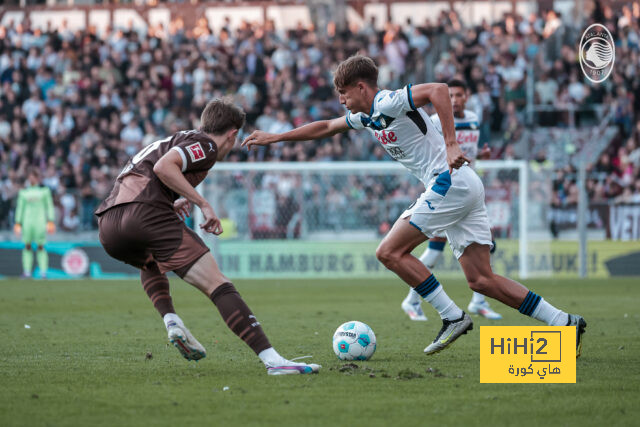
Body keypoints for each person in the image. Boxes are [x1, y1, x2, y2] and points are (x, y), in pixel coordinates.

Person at [242, 56, 586, 357]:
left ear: (362, 87)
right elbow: (327, 127)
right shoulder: (367, 117)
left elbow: (438, 89)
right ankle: (565, 322)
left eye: (344, 93)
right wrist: (277, 137)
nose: (342, 101)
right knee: (481, 280)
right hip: (462, 184)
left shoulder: (389, 101)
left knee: (389, 252)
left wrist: (451, 144)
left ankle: (452, 317)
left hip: (449, 181)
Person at [95, 99, 320, 375]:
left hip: (108, 224)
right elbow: (164, 168)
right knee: (218, 285)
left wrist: (169, 200)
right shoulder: (207, 145)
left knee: (149, 260)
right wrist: (202, 203)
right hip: (144, 214)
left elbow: (145, 175)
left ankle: (172, 321)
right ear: (231, 134)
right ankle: (273, 361)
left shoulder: (175, 138)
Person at [401, 79, 502, 322]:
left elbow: (468, 152)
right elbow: (431, 156)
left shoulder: (474, 119)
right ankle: (412, 300)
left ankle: (477, 301)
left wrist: (481, 155)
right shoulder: (436, 121)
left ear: (467, 96)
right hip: (445, 193)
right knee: (441, 252)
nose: (455, 100)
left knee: (482, 245)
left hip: (466, 189)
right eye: (452, 95)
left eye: (459, 95)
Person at [14, 169, 55, 279]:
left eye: (34, 176)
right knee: (27, 246)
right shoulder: (23, 193)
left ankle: (43, 272)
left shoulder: (44, 191)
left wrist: (50, 220)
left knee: (41, 247)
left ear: (37, 178)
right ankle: (27, 272)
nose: (31, 178)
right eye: (30, 176)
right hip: (27, 223)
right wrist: (18, 222)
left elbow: (49, 206)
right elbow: (20, 208)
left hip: (40, 223)